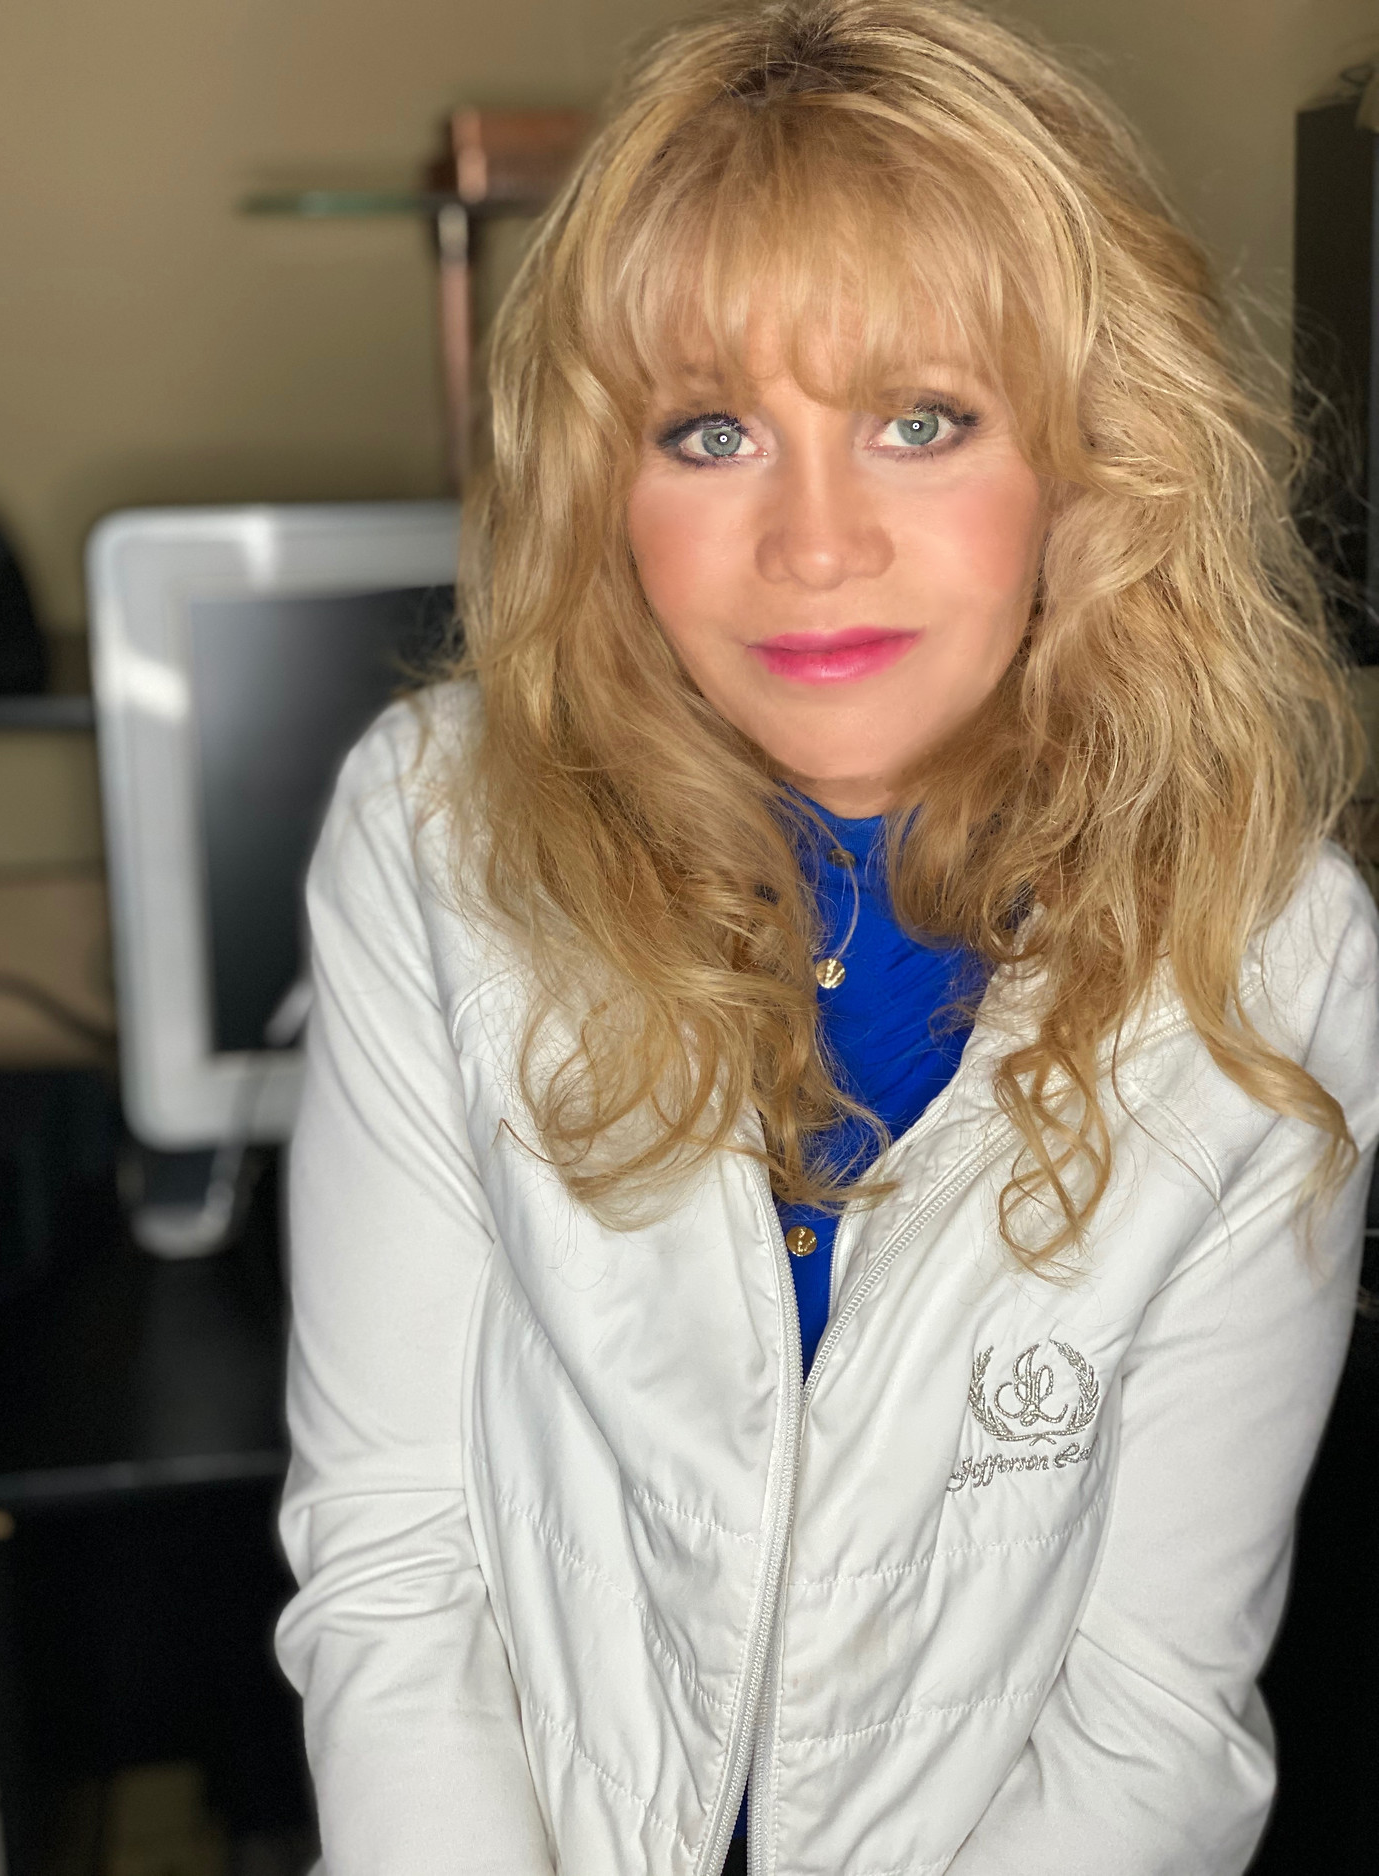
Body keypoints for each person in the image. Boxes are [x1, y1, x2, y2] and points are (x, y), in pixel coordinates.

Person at [273, 4, 1379, 1873]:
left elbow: (1153, 1722)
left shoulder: (1273, 958)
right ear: (607, 488)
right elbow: (395, 1567)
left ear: (1090, 461)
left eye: (920, 421)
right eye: (711, 432)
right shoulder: (443, 831)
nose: (812, 543)